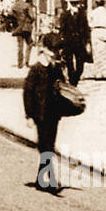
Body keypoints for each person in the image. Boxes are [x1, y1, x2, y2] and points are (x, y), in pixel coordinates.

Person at [23, 33, 69, 193]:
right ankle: (53, 180)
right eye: (52, 53)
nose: (53, 56)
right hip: (39, 114)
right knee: (46, 146)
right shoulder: (35, 69)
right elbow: (27, 93)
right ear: (44, 51)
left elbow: (62, 88)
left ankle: (40, 180)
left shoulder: (55, 69)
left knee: (47, 147)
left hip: (53, 114)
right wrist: (29, 115)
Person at [58, 0, 90, 86]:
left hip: (80, 42)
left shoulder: (82, 13)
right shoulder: (64, 15)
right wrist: (61, 41)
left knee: (81, 64)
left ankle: (75, 77)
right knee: (69, 63)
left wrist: (87, 41)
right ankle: (73, 81)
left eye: (77, 3)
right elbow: (62, 29)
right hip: (68, 42)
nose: (76, 5)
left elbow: (86, 28)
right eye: (74, 3)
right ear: (70, 4)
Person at [9, 0, 36, 69]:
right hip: (26, 28)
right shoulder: (27, 5)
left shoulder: (14, 5)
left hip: (18, 28)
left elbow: (10, 15)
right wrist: (31, 21)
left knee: (20, 46)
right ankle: (27, 62)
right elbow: (32, 16)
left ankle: (20, 64)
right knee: (30, 43)